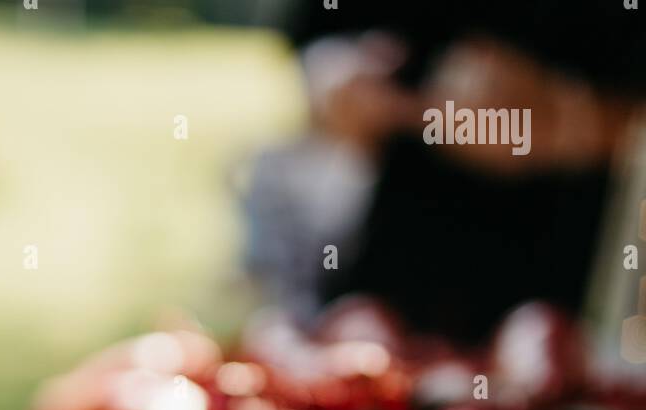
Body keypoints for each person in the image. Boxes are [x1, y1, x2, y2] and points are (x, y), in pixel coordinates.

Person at [249, 1, 646, 341]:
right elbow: (321, 34)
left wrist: (575, 123)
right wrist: (337, 84)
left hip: (584, 296)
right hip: (387, 287)